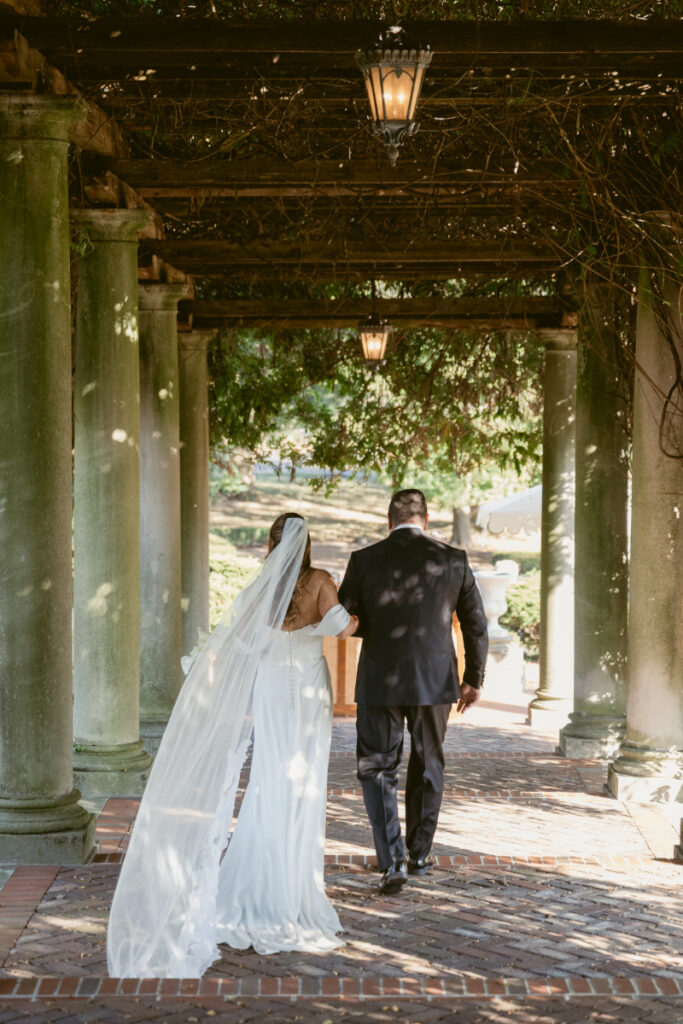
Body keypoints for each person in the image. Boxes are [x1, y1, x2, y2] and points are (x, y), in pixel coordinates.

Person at [107, 513, 357, 977]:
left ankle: (256, 883)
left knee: (268, 776)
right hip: (307, 688)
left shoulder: (263, 584)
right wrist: (356, 612)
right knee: (304, 781)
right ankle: (293, 890)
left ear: (272, 543)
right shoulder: (321, 580)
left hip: (268, 685)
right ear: (306, 545)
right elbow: (343, 628)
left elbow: (239, 640)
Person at [338, 488, 488, 894]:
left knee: (377, 766)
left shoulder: (364, 559)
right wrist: (474, 677)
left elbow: (346, 616)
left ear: (389, 521)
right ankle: (420, 854)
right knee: (428, 764)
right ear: (426, 519)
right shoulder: (453, 560)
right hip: (434, 680)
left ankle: (392, 860)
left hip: (379, 681)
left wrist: (377, 624)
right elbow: (475, 624)